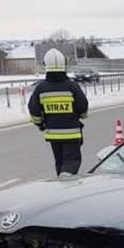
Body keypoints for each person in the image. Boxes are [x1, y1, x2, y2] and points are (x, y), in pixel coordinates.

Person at [28, 48, 89, 176]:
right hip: (72, 134)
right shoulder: (72, 86)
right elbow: (83, 107)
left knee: (60, 163)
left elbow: (34, 111)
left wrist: (40, 124)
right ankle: (66, 183)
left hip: (53, 135)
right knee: (72, 162)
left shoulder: (41, 88)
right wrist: (81, 116)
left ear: (46, 65)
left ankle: (62, 187)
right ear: (63, 64)